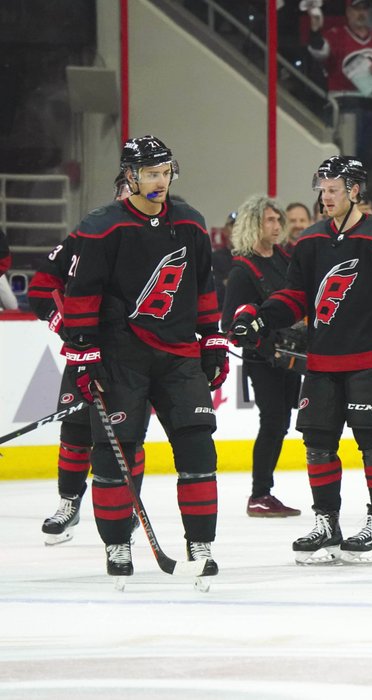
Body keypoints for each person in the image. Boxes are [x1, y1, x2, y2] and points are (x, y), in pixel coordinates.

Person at [229, 156, 372, 565]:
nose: (324, 197)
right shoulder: (312, 240)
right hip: (322, 361)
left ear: (355, 191)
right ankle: (327, 523)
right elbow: (296, 295)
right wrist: (261, 317)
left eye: (333, 189)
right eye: (321, 188)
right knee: (318, 445)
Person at [62, 135, 224, 585]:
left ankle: (200, 543)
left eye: (165, 172)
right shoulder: (103, 226)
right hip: (121, 357)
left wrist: (211, 339)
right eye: (151, 173)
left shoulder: (189, 222)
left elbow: (205, 286)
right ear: (130, 176)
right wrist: (84, 355)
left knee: (198, 448)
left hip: (178, 356)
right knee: (115, 458)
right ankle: (117, 543)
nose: (159, 181)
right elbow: (81, 297)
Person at [27, 177, 146, 545]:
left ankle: (125, 508)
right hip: (88, 351)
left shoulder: (163, 238)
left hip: (138, 360)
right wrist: (68, 327)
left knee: (127, 438)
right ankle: (69, 502)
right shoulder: (89, 234)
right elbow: (40, 287)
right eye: (126, 190)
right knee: (76, 430)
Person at [220, 195, 302, 518]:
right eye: (271, 220)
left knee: (281, 422)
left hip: (291, 353)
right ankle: (259, 493)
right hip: (265, 358)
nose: (278, 225)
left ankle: (263, 491)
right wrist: (259, 338)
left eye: (278, 220)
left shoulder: (284, 258)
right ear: (255, 223)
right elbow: (230, 324)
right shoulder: (243, 270)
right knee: (273, 421)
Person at [307, 0, 372, 161]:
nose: (361, 13)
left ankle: (359, 186)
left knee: (364, 158)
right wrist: (315, 31)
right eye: (356, 9)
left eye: (364, 9)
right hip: (345, 103)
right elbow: (319, 52)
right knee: (347, 157)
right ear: (348, 12)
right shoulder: (335, 35)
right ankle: (347, 185)